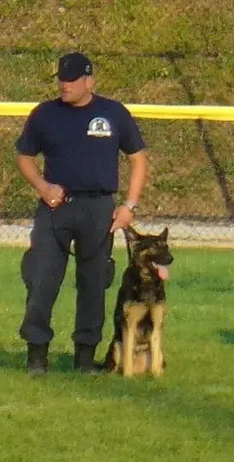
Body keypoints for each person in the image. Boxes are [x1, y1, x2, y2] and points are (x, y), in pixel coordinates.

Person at [14, 52, 148, 375]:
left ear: (90, 80)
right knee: (41, 279)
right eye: (61, 78)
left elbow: (138, 158)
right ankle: (36, 355)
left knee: (94, 283)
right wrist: (43, 187)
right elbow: (24, 156)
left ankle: (85, 358)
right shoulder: (45, 114)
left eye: (72, 79)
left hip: (98, 208)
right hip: (55, 208)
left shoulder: (112, 113)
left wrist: (128, 206)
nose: (65, 84)